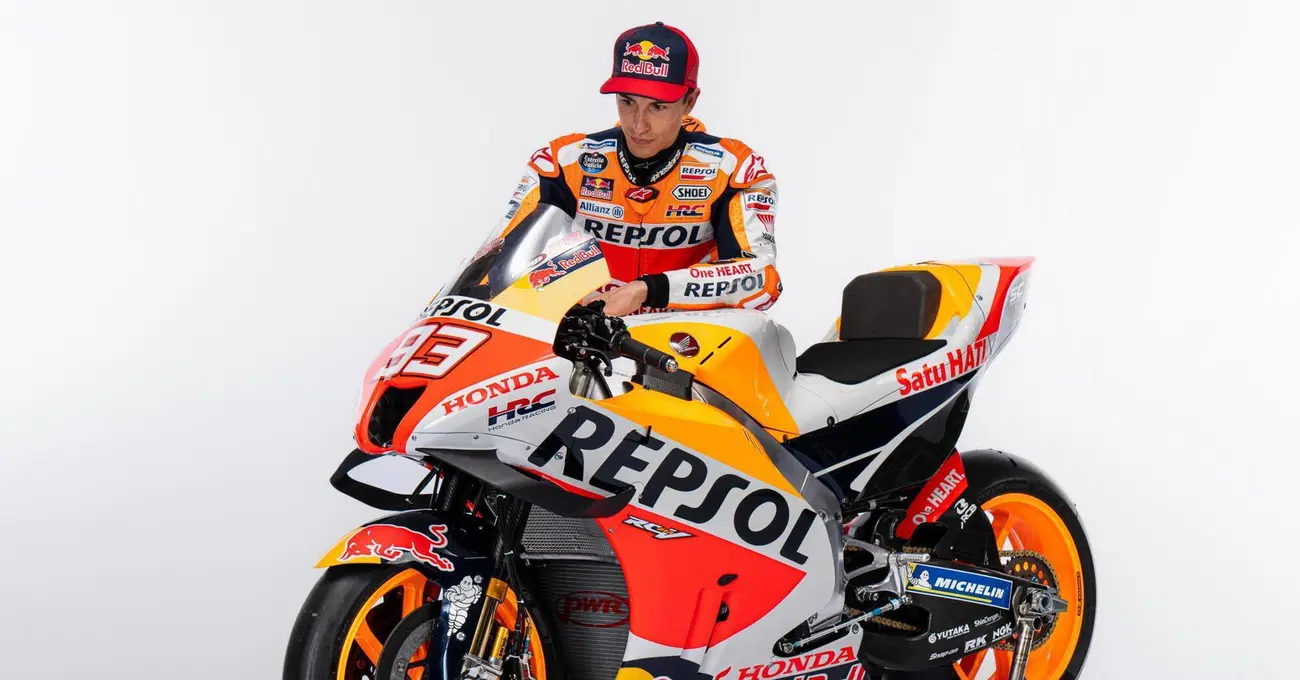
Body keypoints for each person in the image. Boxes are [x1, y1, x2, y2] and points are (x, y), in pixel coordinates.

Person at [492, 21, 782, 316]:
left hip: (689, 334)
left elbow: (761, 279)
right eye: (627, 102)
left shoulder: (734, 169)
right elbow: (500, 263)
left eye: (658, 107)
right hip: (584, 333)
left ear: (690, 101)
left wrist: (647, 290)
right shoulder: (562, 162)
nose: (638, 125)